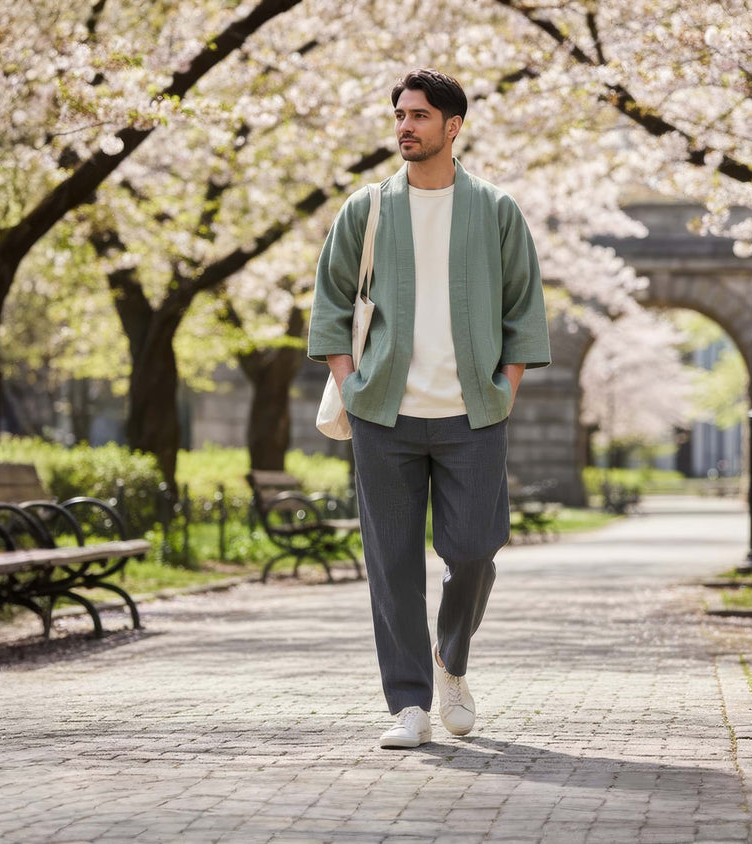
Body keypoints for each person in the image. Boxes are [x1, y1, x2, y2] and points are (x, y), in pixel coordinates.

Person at [308, 68, 551, 748]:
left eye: (419, 116)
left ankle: (452, 661)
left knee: (474, 549)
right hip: (383, 414)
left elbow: (523, 307)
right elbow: (330, 303)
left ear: (453, 126)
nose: (405, 127)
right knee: (391, 561)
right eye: (400, 115)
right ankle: (408, 703)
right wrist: (350, 384)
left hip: (474, 415)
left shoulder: (495, 209)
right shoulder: (368, 209)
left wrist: (507, 388)